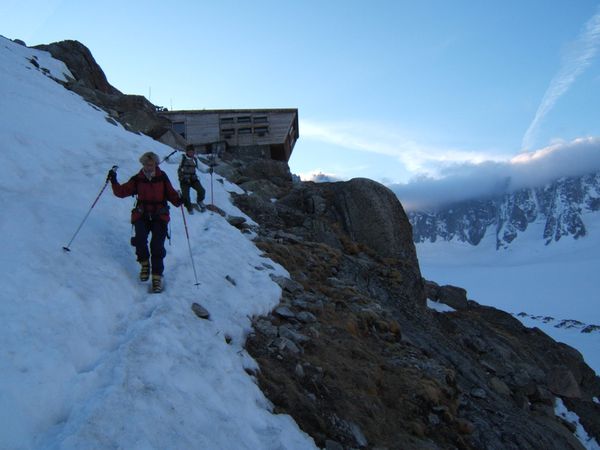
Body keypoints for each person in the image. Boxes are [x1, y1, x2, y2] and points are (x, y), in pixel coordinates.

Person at [107, 151, 182, 293]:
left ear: (155, 164)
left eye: (151, 164)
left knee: (157, 245)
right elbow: (121, 192)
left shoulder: (162, 177)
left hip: (159, 216)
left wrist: (179, 200)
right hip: (142, 214)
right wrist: (113, 180)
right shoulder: (138, 179)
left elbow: (172, 194)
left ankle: (156, 277)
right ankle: (145, 264)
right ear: (142, 164)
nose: (148, 167)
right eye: (146, 164)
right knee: (139, 240)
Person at [178, 144, 206, 214]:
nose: (191, 153)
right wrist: (167, 158)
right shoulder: (182, 158)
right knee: (186, 196)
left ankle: (200, 201)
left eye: (192, 151)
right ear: (186, 152)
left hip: (193, 179)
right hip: (184, 180)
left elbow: (202, 168)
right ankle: (189, 207)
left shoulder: (195, 159)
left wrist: (208, 170)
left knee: (202, 190)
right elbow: (172, 160)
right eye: (189, 151)